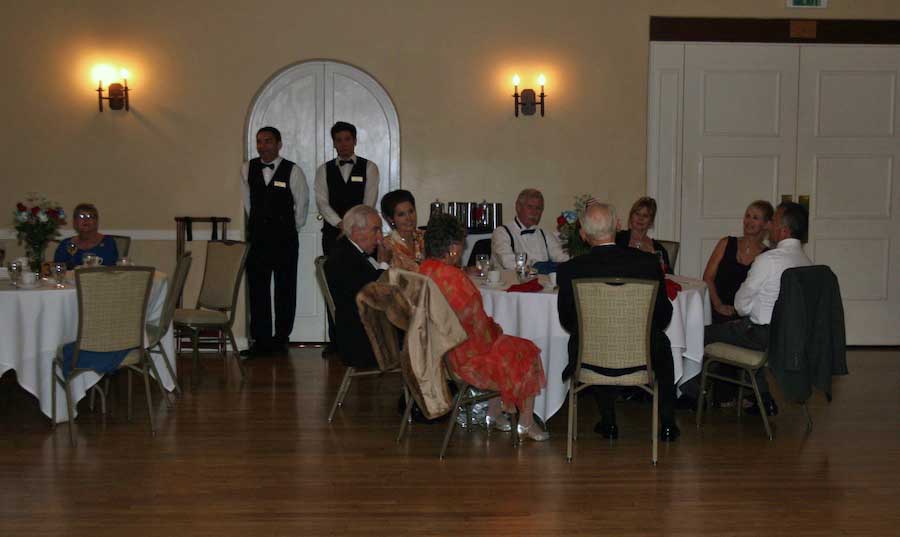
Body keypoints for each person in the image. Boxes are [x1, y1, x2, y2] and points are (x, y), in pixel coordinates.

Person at [557, 202, 679, 441]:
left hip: (591, 355)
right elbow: (663, 315)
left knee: (594, 338)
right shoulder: (648, 263)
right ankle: (667, 424)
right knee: (662, 344)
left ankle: (609, 422)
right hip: (643, 353)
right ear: (619, 225)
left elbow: (568, 320)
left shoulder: (571, 270)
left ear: (583, 234)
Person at [420, 214, 549, 441]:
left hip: (435, 351)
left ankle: (495, 413)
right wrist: (496, 331)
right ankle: (526, 422)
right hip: (461, 360)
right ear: (452, 248)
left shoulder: (424, 271)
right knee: (527, 350)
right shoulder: (456, 280)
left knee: (503, 342)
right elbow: (480, 333)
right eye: (461, 245)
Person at [703, 201, 812, 416]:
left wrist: (752, 310)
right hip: (788, 337)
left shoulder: (767, 259)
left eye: (773, 221)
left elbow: (740, 305)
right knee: (744, 333)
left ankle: (692, 393)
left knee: (701, 333)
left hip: (759, 334)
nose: (769, 226)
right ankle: (762, 398)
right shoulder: (806, 262)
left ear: (783, 229)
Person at [240, 126, 309, 357]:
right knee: (258, 290)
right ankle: (261, 341)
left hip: (285, 239)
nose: (263, 146)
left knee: (285, 289)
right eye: (259, 141)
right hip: (258, 239)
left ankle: (281, 340)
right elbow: (248, 205)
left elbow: (302, 205)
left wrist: (290, 228)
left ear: (279, 144)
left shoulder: (293, 170)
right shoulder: (246, 168)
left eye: (268, 141)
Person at [315, 121, 380, 357]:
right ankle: (337, 341)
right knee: (335, 289)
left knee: (364, 287)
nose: (343, 144)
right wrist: (341, 224)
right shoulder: (324, 170)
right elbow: (322, 201)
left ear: (354, 141)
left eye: (347, 139)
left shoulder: (370, 168)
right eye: (338, 140)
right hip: (334, 235)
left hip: (363, 236)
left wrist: (354, 225)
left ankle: (368, 340)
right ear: (334, 143)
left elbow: (368, 202)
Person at [323, 205, 392, 370]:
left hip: (368, 328)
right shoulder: (343, 258)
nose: (379, 238)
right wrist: (383, 264)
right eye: (375, 230)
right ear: (356, 231)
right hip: (362, 339)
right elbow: (373, 296)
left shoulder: (352, 252)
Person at [703, 200, 774, 324]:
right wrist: (718, 305)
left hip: (745, 318)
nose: (749, 221)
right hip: (716, 310)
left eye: (755, 218)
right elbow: (708, 277)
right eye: (747, 216)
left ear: (766, 224)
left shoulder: (767, 256)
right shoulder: (725, 243)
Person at [491, 188, 568, 271]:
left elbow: (561, 257)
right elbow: (508, 262)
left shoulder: (545, 234)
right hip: (509, 282)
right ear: (518, 207)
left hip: (542, 282)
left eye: (538, 208)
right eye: (530, 207)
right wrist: (537, 265)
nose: (534, 212)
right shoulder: (501, 233)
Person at [615, 196, 672, 274]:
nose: (640, 218)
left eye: (645, 216)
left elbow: (668, 276)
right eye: (637, 214)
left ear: (651, 221)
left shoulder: (659, 249)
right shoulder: (617, 238)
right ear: (631, 216)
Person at [54, 203, 118, 268]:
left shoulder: (108, 242)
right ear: (75, 222)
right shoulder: (65, 244)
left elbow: (111, 269)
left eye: (90, 216)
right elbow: (59, 268)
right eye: (81, 216)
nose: (86, 220)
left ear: (96, 222)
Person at [381, 189, 424, 271]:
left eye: (411, 211)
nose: (409, 218)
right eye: (401, 214)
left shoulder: (426, 237)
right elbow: (381, 277)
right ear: (391, 219)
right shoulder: (386, 244)